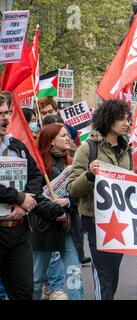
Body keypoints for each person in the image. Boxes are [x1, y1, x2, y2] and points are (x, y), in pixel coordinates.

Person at [67, 99, 132, 300]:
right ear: (108, 120)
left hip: (119, 219)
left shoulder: (126, 147)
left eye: (128, 118)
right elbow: (72, 188)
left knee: (113, 273)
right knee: (103, 275)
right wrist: (90, 174)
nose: (126, 123)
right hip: (96, 220)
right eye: (122, 119)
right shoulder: (87, 148)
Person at [31, 123, 85, 299]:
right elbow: (34, 198)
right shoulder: (38, 165)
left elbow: (81, 194)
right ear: (51, 142)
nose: (68, 138)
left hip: (67, 229)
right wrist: (56, 210)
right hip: (44, 230)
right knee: (37, 278)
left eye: (68, 135)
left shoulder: (73, 161)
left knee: (74, 273)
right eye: (63, 136)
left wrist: (68, 202)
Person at [0, 93, 41, 300]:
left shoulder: (17, 146)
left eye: (7, 112)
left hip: (18, 232)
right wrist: (17, 196)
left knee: (24, 292)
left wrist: (24, 204)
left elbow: (36, 175)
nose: (5, 118)